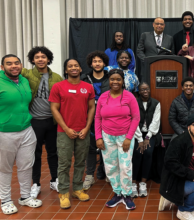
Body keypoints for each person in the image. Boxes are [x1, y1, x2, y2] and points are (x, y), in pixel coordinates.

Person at [0, 46, 63, 198]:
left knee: (53, 152)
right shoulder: (25, 74)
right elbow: (1, 73)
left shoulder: (56, 77)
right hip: (34, 121)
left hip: (51, 121)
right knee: (35, 154)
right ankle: (36, 184)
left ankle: (55, 180)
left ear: (48, 59)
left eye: (44, 57)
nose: (40, 59)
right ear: (32, 59)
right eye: (37, 57)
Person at [0, 54, 43, 215]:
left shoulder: (23, 79)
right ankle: (6, 200)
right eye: (9, 64)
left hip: (26, 130)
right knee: (4, 168)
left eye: (17, 63)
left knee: (26, 165)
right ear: (2, 67)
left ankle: (25, 196)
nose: (14, 66)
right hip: (2, 132)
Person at [49, 58, 95, 209]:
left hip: (83, 131)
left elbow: (91, 108)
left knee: (81, 161)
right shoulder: (58, 86)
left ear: (81, 69)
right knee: (64, 163)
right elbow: (54, 109)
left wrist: (87, 128)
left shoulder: (88, 87)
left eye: (76, 65)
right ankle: (63, 192)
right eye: (70, 66)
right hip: (64, 132)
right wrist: (67, 129)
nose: (74, 68)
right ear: (66, 70)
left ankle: (77, 189)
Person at [94, 69, 140, 210]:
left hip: (125, 137)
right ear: (109, 80)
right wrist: (98, 137)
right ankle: (117, 193)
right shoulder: (103, 97)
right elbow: (97, 118)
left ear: (122, 81)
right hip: (107, 137)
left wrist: (128, 138)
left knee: (125, 167)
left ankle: (127, 194)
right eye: (112, 79)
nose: (115, 82)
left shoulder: (129, 97)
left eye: (118, 79)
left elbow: (136, 118)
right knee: (110, 166)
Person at [158, 113, 194, 220]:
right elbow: (170, 163)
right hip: (176, 181)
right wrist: (192, 175)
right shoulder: (178, 142)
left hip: (189, 179)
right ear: (188, 127)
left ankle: (171, 199)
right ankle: (184, 211)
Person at [80, 51, 110, 190]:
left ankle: (108, 174)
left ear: (104, 63)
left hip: (108, 117)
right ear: (90, 64)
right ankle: (90, 175)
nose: (97, 64)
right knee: (91, 148)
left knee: (108, 146)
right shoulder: (84, 79)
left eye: (100, 61)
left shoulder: (111, 78)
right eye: (94, 61)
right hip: (89, 117)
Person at [132, 82, 161, 198]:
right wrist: (140, 139)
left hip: (151, 134)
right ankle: (133, 183)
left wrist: (147, 137)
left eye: (147, 89)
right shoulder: (134, 102)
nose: (145, 91)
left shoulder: (156, 103)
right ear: (139, 91)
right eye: (142, 89)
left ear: (149, 90)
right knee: (137, 152)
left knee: (148, 152)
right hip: (136, 133)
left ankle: (143, 182)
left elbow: (155, 121)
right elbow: (133, 121)